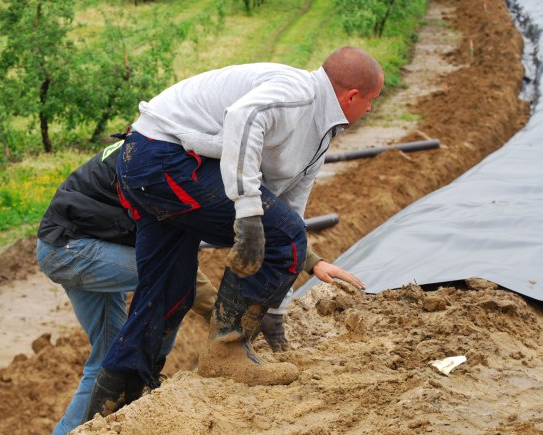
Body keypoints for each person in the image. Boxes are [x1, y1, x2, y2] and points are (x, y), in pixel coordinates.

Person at [85, 46, 379, 420]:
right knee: (283, 236)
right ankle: (227, 350)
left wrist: (274, 305)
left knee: (168, 293)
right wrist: (247, 211)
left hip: (154, 167)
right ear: (352, 96)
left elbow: (288, 210)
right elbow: (242, 117)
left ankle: (108, 414)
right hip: (163, 158)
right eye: (370, 101)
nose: (370, 109)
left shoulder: (319, 131)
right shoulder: (297, 92)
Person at [36, 142, 219, 434]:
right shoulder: (161, 163)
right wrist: (224, 322)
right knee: (170, 278)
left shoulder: (148, 145)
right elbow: (173, 268)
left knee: (109, 355)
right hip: (70, 248)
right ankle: (145, 376)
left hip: (70, 243)